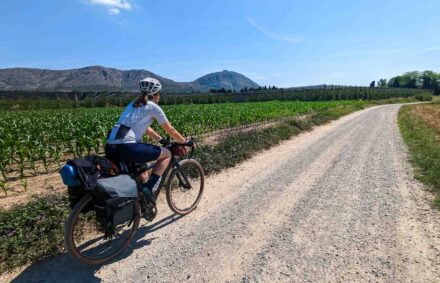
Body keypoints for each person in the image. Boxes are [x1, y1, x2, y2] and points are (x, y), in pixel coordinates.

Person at [105, 77, 188, 220]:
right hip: (128, 147)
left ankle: (143, 205)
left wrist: (160, 139)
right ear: (156, 94)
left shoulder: (133, 104)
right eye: (159, 94)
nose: (159, 97)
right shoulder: (153, 106)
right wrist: (185, 142)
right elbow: (171, 130)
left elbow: (147, 129)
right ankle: (148, 190)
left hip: (111, 146)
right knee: (167, 154)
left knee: (142, 170)